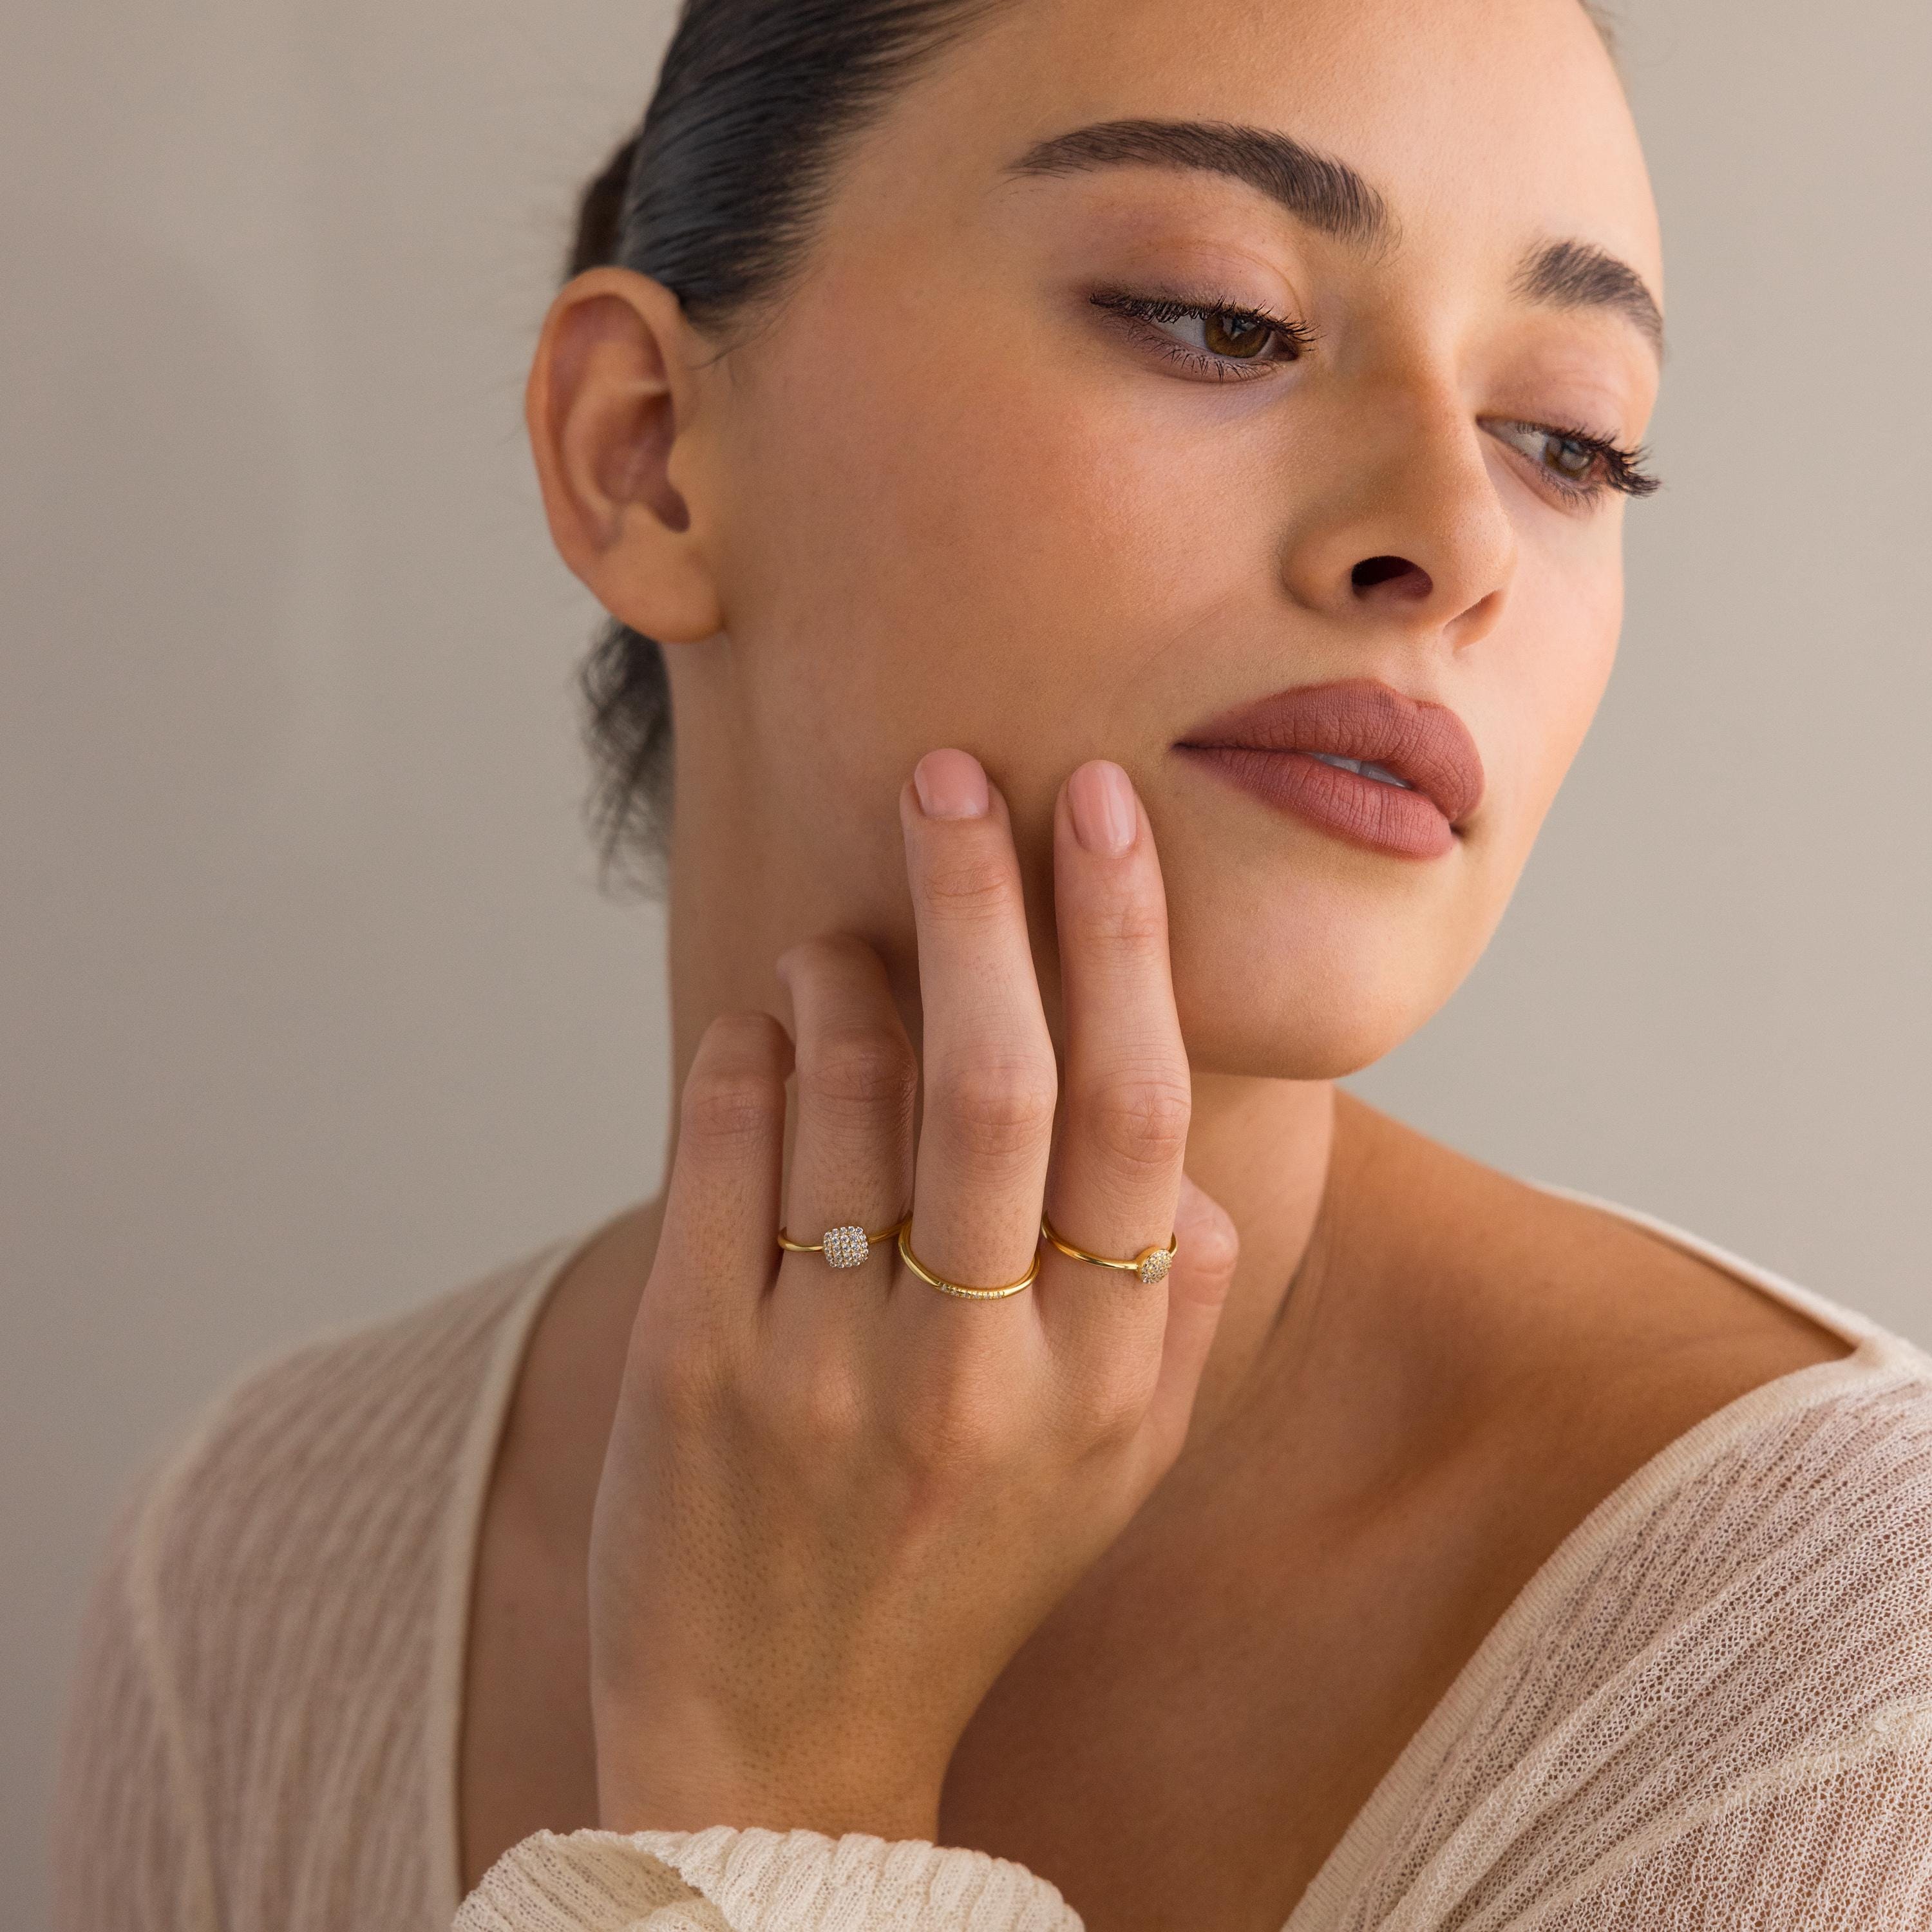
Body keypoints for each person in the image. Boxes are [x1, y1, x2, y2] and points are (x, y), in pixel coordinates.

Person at [52, 0, 1932, 1927]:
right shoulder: (257, 1574)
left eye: (1570, 441)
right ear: (647, 456)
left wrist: (782, 1788)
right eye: (1220, 318)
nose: (1458, 541)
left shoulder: (1852, 1685)